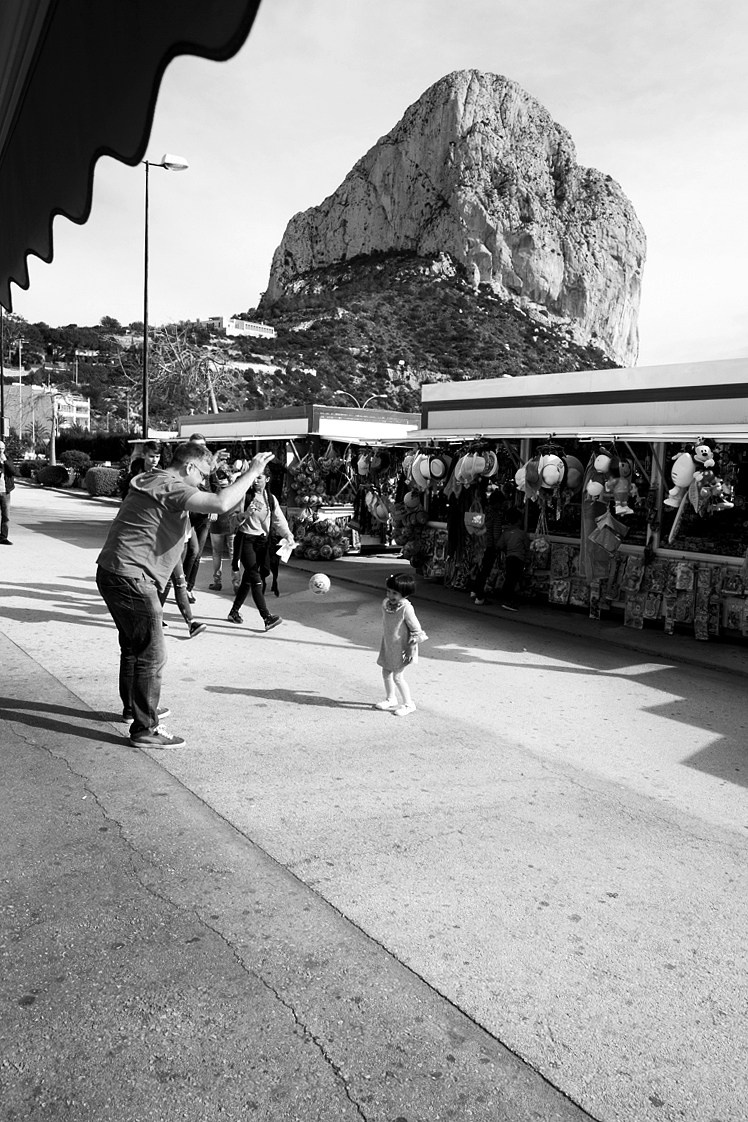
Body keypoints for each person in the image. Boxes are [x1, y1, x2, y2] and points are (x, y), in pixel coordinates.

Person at [96, 441, 275, 748]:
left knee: (134, 647)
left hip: (115, 571)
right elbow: (220, 503)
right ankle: (145, 728)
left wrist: (211, 461)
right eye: (202, 474)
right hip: (133, 577)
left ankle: (134, 709)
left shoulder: (154, 478)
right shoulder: (172, 486)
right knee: (152, 653)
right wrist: (254, 472)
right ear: (188, 468)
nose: (203, 482)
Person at [228, 471, 294, 631]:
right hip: (246, 540)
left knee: (248, 578)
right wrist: (245, 514)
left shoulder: (270, 498)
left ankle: (233, 612)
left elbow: (278, 519)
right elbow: (231, 521)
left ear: (267, 479)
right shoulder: (245, 496)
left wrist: (288, 535)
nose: (256, 481)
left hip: (262, 541)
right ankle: (267, 617)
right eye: (254, 477)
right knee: (255, 577)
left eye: (259, 477)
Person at [374, 572, 428, 718]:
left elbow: (416, 630)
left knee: (398, 676)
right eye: (389, 591)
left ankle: (409, 704)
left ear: (405, 594)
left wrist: (410, 648)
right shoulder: (386, 603)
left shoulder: (406, 608)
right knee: (386, 672)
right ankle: (391, 698)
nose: (390, 595)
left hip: (404, 647)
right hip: (389, 644)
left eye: (395, 593)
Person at [495, 507, 531, 611]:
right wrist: (528, 559)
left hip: (509, 558)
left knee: (509, 578)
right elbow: (527, 547)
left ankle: (506, 598)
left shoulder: (506, 533)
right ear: (519, 520)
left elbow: (499, 545)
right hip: (519, 559)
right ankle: (508, 601)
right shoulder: (522, 534)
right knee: (513, 579)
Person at [0, 440, 17, 544]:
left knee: (6, 515)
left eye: (2, 449)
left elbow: (13, 471)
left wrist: (5, 461)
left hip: (5, 491)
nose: (0, 451)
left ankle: (3, 537)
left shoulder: (7, 458)